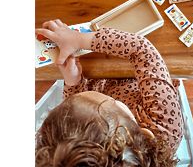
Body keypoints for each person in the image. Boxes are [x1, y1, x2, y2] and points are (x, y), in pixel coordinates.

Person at [35, 19, 184, 167]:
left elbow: (77, 111)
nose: (75, 96)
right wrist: (78, 39)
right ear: (143, 135)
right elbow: (142, 49)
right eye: (111, 102)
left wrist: (73, 82)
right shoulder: (164, 128)